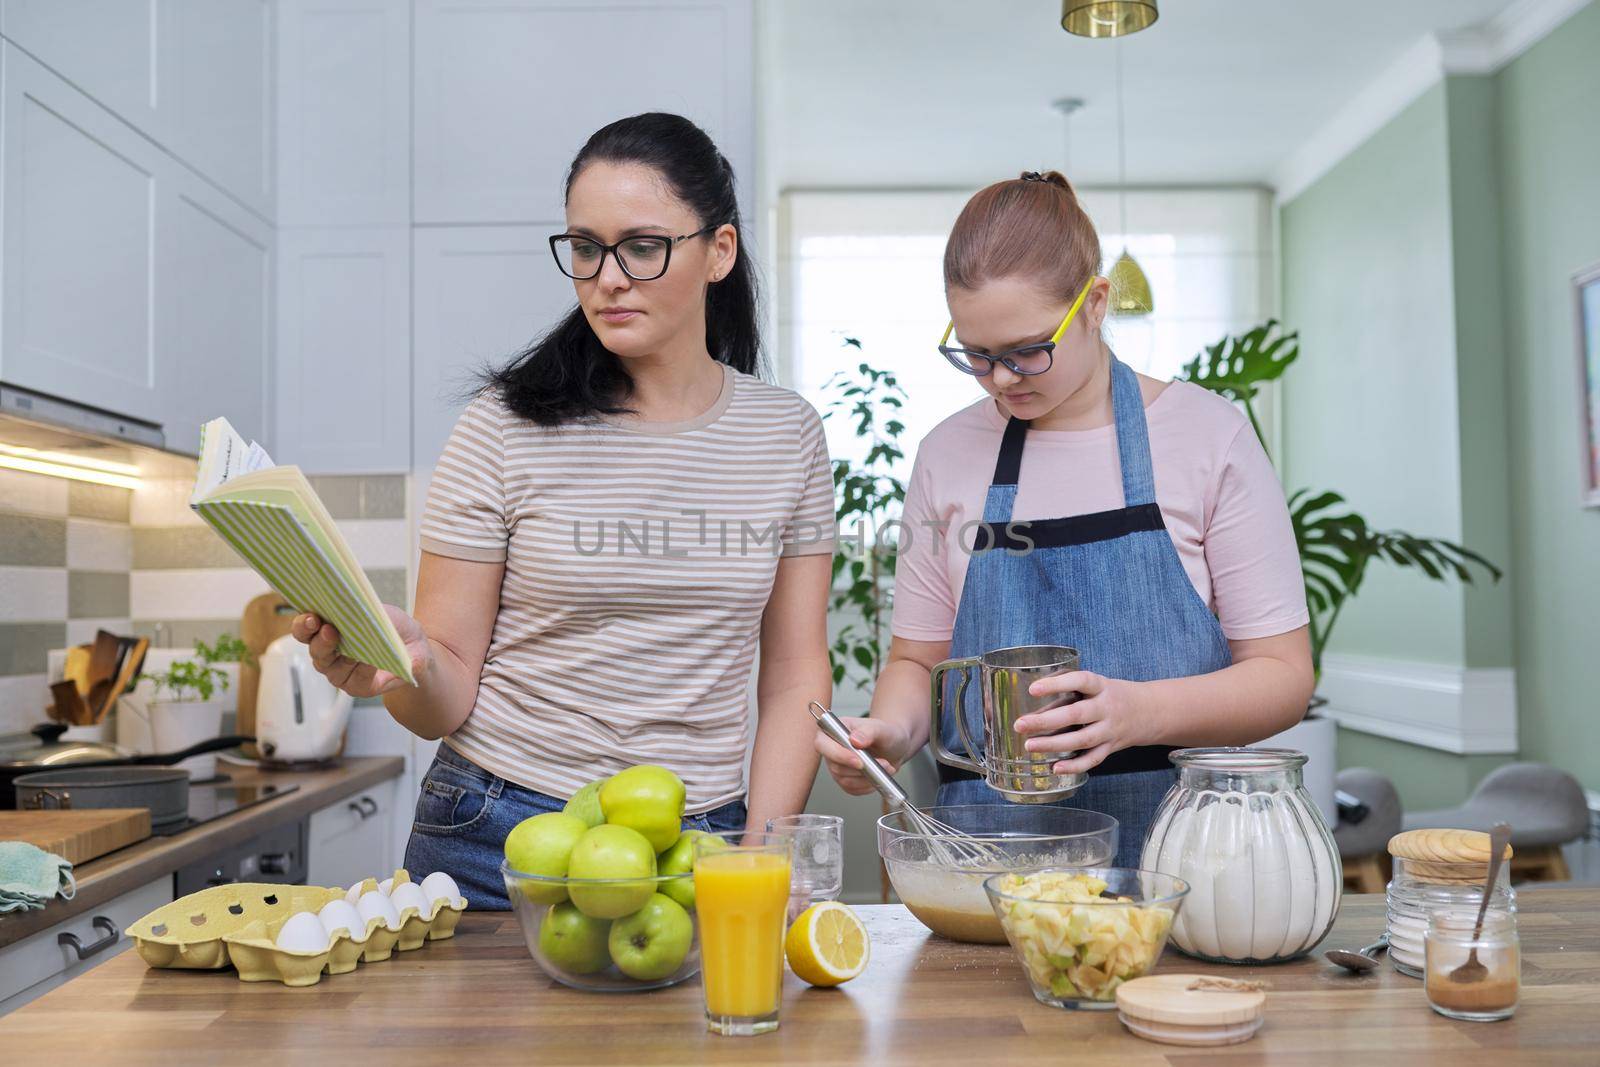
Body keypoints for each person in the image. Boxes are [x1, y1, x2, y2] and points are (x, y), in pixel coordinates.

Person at [293, 113, 834, 907]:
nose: (607, 277)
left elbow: (793, 673)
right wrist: (402, 665)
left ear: (719, 251)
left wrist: (759, 850)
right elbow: (442, 693)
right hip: (496, 830)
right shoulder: (503, 423)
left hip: (697, 841)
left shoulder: (787, 433)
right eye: (585, 247)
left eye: (642, 247)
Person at [817, 170, 1314, 866]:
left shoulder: (1208, 436)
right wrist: (891, 733)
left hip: (1188, 862)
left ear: (1096, 302)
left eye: (1026, 351)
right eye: (976, 355)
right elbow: (917, 660)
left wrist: (1140, 713)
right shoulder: (947, 454)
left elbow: (1283, 673)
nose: (1000, 380)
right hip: (988, 869)